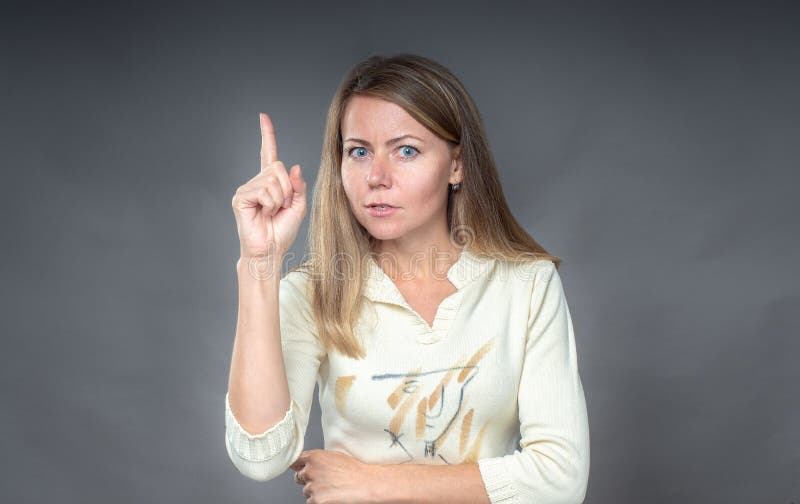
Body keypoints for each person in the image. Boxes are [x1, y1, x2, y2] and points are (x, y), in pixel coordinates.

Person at [225, 53, 590, 504]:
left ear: (456, 165)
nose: (377, 177)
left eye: (406, 150)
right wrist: (260, 264)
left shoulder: (527, 285)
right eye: (358, 151)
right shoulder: (314, 293)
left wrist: (373, 484)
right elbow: (259, 457)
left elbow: (560, 479)